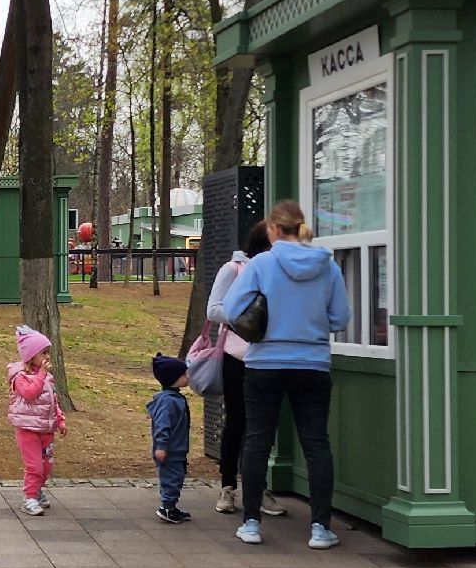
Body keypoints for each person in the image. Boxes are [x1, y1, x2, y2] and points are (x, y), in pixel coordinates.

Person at [217, 200, 350, 550]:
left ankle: (250, 523)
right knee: (317, 443)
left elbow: (231, 310)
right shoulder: (328, 265)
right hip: (313, 363)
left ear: (274, 229)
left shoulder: (260, 263)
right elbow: (340, 318)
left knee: (257, 440)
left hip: (265, 364)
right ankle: (321, 528)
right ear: (300, 227)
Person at [206, 222, 285, 518]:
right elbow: (213, 309)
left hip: (270, 358)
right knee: (237, 422)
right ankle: (228, 486)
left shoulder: (279, 272)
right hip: (237, 358)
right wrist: (250, 314)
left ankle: (259, 487)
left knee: (263, 425)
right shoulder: (234, 269)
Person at [7, 326, 65, 514]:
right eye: (43, 353)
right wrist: (40, 375)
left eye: (48, 352)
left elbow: (52, 401)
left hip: (45, 429)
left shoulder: (47, 378)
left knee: (46, 466)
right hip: (28, 429)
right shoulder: (19, 377)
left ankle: (37, 491)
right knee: (34, 466)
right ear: (31, 356)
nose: (47, 357)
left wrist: (60, 420)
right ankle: (29, 498)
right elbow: (30, 394)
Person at [147, 355, 192, 524]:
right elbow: (162, 426)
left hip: (176, 448)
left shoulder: (174, 399)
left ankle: (170, 505)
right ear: (174, 379)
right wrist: (161, 446)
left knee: (176, 476)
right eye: (184, 374)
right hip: (170, 449)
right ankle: (167, 507)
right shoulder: (168, 402)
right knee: (172, 478)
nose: (188, 377)